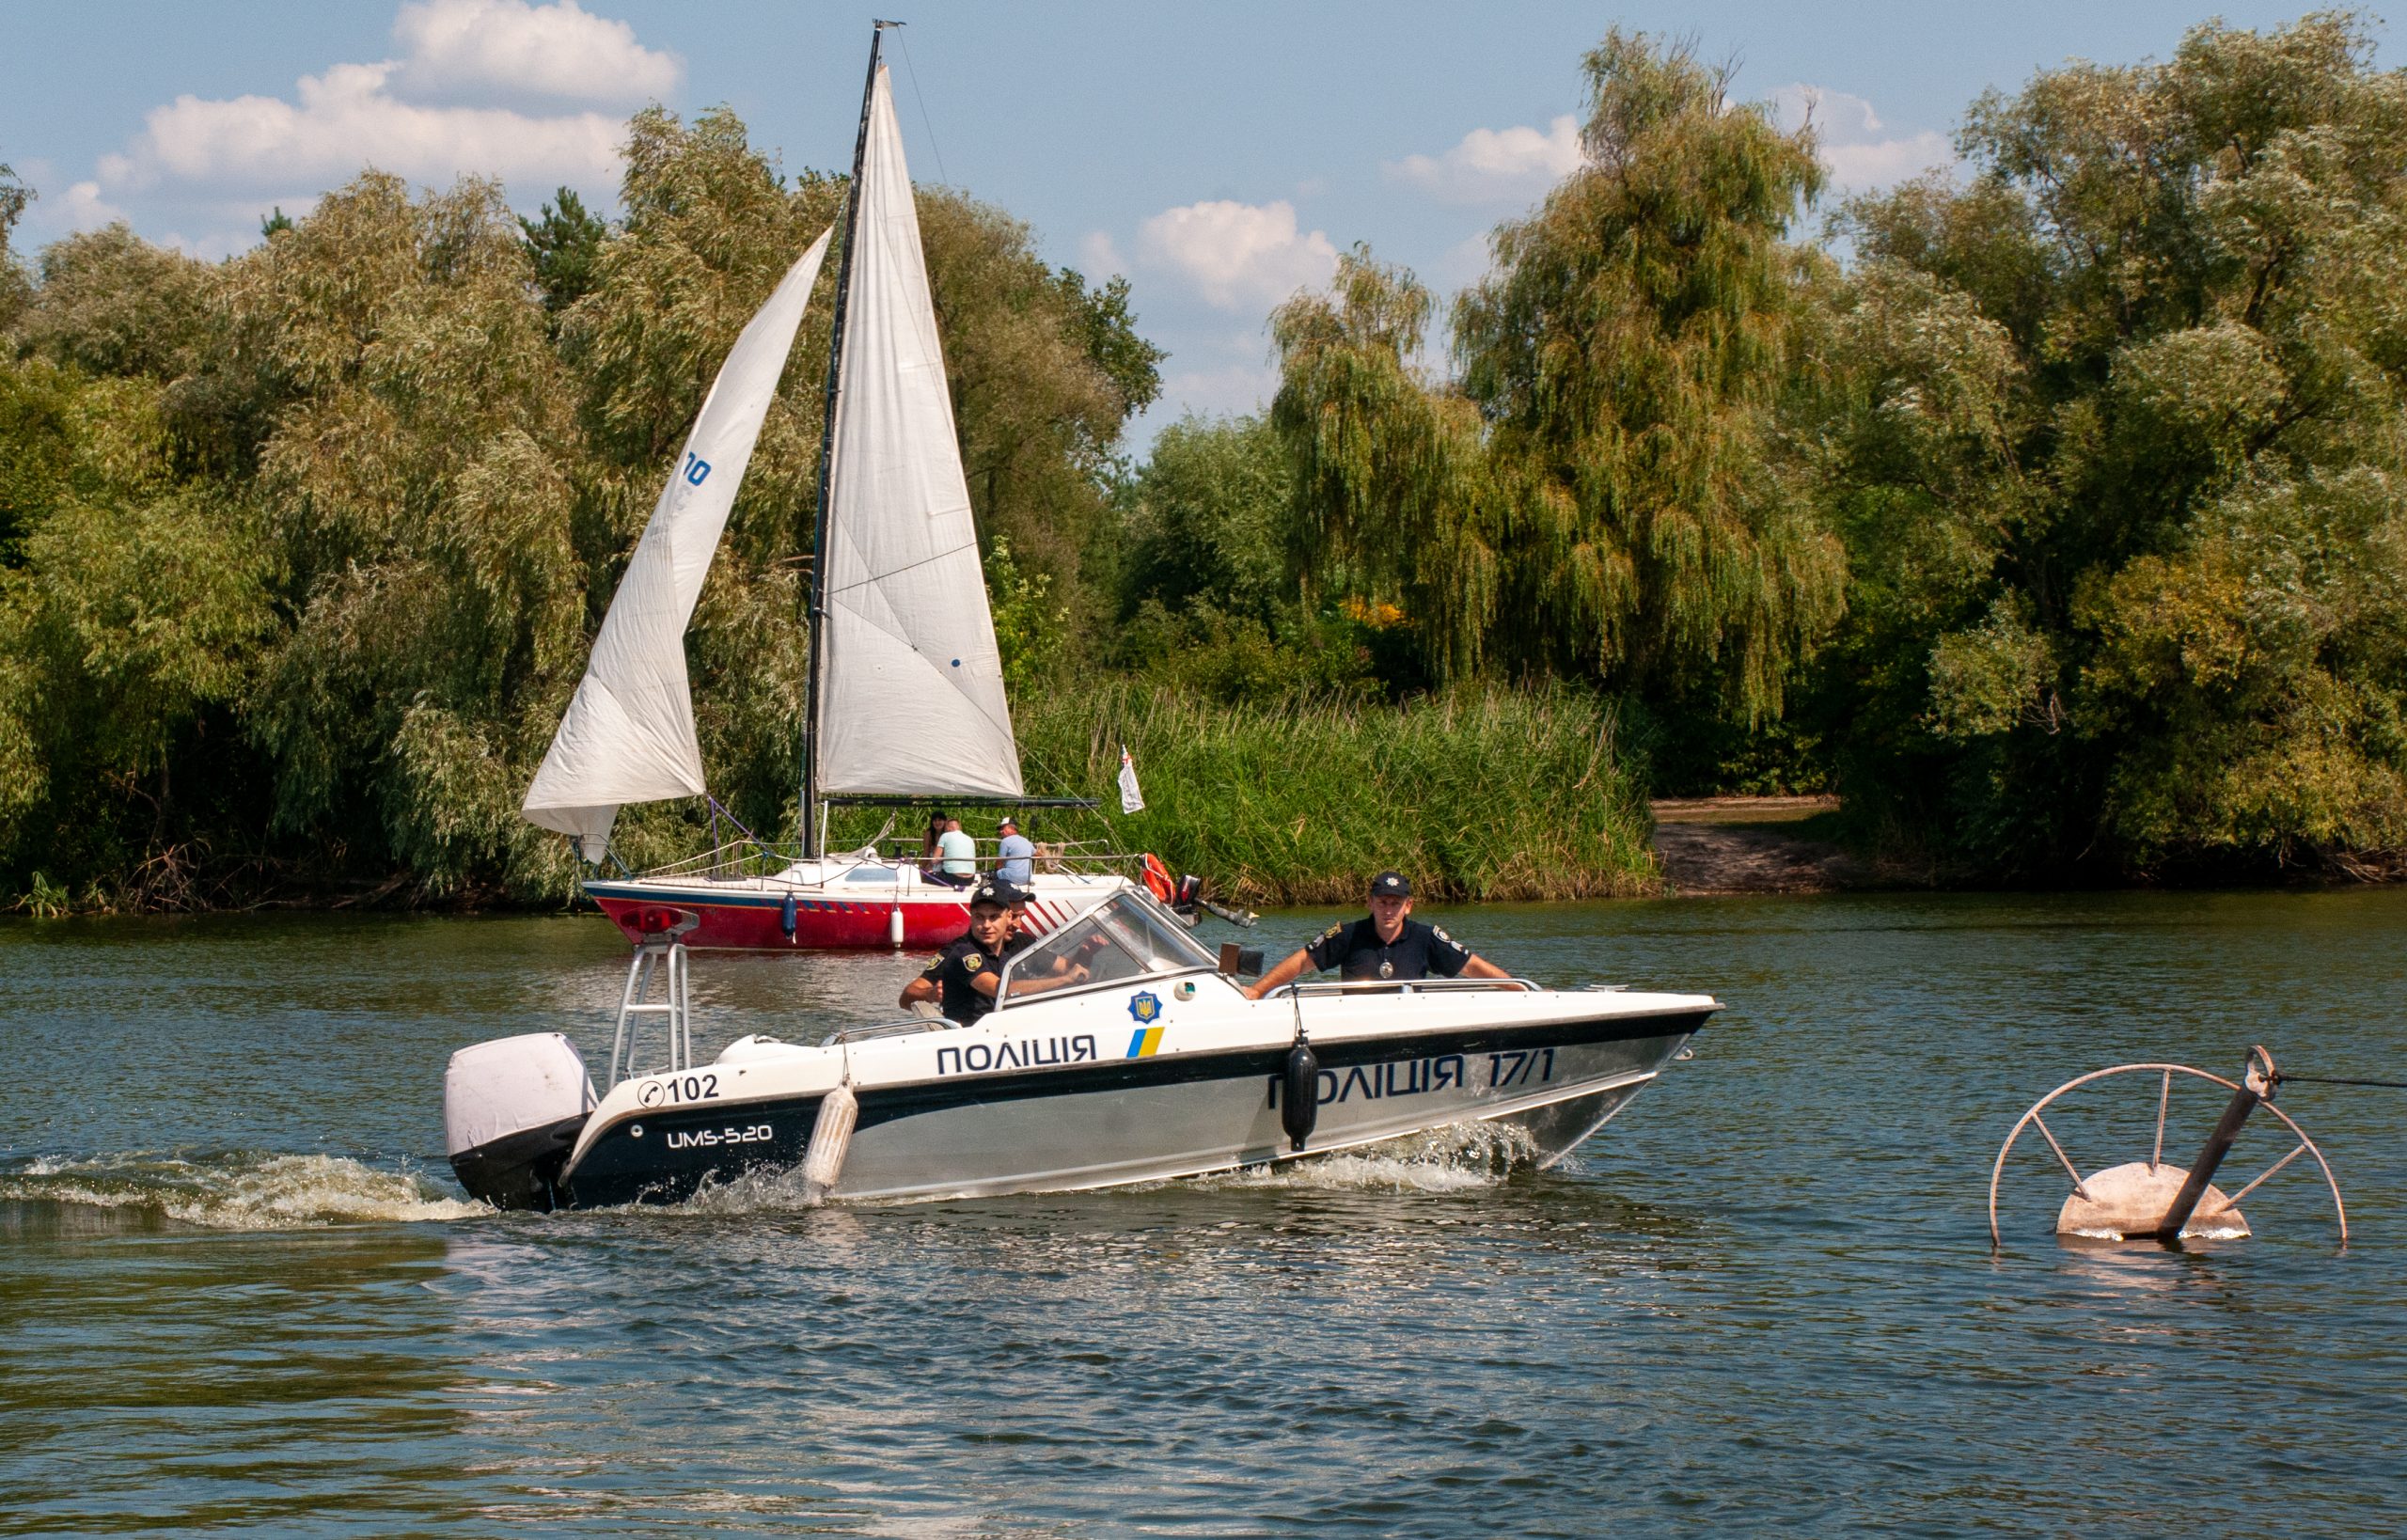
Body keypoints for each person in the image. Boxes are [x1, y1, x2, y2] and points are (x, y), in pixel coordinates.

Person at [1244, 871, 1511, 999]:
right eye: (1382, 902)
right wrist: (1257, 991)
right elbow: (1302, 961)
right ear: (1369, 903)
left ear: (1409, 906)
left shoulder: (1426, 937)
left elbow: (1473, 967)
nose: (1389, 910)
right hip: (1358, 1026)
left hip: (1408, 1027)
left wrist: (1522, 991)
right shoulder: (1347, 934)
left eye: (1396, 903)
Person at [899, 882, 1089, 1025]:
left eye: (1020, 917)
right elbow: (1001, 990)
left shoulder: (1019, 944)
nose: (1016, 924)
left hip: (1011, 1027)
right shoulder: (962, 952)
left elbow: (1069, 969)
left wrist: (1087, 954)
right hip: (977, 1037)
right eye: (981, 917)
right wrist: (930, 994)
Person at [931, 816, 977, 889]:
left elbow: (934, 860)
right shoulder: (969, 838)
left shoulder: (945, 836)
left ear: (948, 828)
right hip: (970, 879)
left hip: (953, 878)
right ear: (959, 827)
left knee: (925, 876)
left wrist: (942, 858)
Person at [996, 815, 1035, 887]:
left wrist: (995, 871)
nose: (1000, 831)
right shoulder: (1026, 841)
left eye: (1002, 828)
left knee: (995, 873)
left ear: (1010, 828)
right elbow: (1037, 854)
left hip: (1011, 878)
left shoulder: (1005, 841)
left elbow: (999, 864)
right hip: (1026, 879)